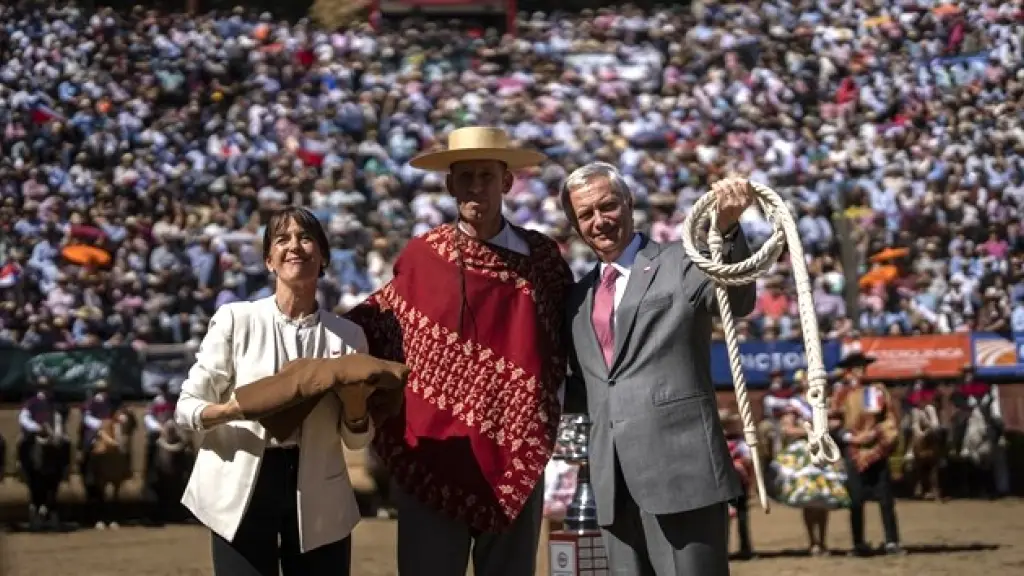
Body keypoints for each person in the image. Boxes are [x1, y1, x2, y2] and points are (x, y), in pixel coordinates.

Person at [344, 126, 573, 576]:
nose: (475, 187)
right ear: (449, 184)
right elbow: (375, 325)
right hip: (433, 456)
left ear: (506, 181)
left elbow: (571, 338)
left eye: (486, 176)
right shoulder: (421, 256)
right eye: (464, 176)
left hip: (515, 452)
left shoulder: (543, 259)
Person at [561, 162, 756, 576]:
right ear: (575, 225)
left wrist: (728, 229)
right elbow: (583, 386)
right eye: (586, 214)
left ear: (629, 204)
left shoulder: (681, 262)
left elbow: (736, 300)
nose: (600, 221)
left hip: (682, 473)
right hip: (612, 485)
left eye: (608, 206)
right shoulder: (576, 299)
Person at [174, 207, 383, 576]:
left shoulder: (349, 336)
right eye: (282, 239)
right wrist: (236, 410)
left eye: (305, 238)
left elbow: (357, 439)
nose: (295, 247)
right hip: (241, 485)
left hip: (318, 487)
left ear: (323, 258)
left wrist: (355, 410)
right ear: (269, 260)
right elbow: (186, 408)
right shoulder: (236, 320)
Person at [767, 370, 850, 556]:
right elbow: (787, 428)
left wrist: (827, 426)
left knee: (823, 499)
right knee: (808, 499)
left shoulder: (825, 402)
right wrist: (810, 430)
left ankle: (823, 540)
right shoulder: (795, 404)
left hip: (824, 450)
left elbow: (837, 423)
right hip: (805, 452)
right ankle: (813, 541)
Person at [833, 352, 903, 556]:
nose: (860, 370)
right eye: (856, 366)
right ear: (849, 370)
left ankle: (892, 541)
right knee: (855, 499)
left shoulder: (877, 390)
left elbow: (889, 418)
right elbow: (833, 421)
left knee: (885, 497)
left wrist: (875, 433)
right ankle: (858, 543)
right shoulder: (840, 393)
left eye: (862, 366)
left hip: (876, 448)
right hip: (853, 449)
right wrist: (849, 438)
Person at [16, 377, 71, 527]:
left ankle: (66, 468)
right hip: (36, 434)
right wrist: (36, 428)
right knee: (22, 442)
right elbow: (23, 419)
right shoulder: (31, 403)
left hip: (52, 434)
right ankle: (21, 466)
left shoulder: (55, 404)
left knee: (67, 442)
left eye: (46, 387)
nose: (45, 390)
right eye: (42, 387)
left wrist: (58, 434)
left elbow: (59, 419)